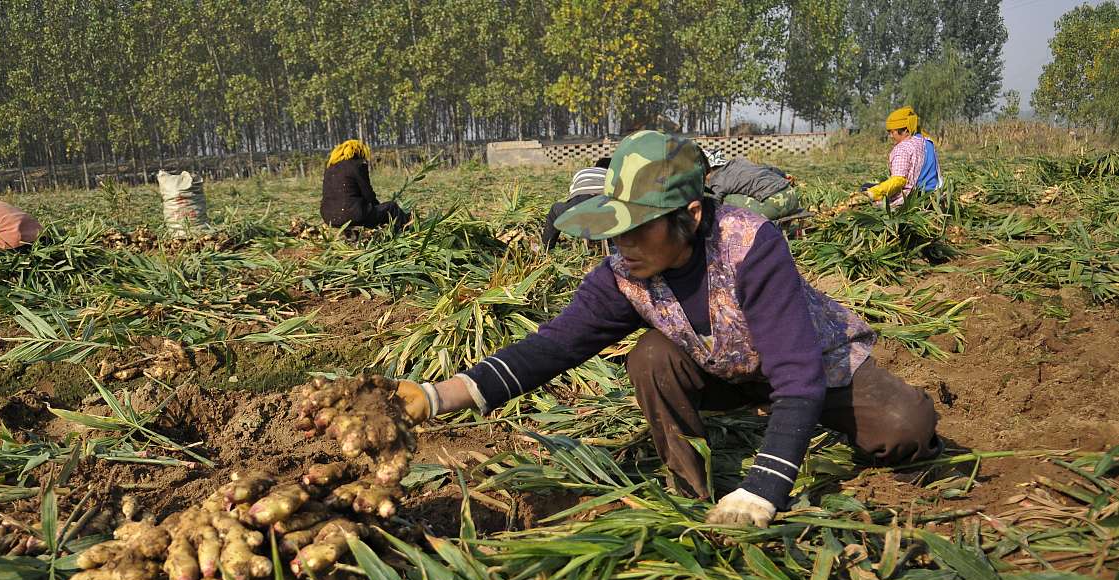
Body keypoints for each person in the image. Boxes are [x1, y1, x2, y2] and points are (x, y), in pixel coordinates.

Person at [390, 131, 942, 527]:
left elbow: (798, 375)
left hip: (815, 366)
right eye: (614, 230)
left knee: (905, 428)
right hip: (727, 373)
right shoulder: (624, 273)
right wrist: (436, 396)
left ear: (692, 215)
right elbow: (552, 346)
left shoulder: (751, 246)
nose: (620, 244)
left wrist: (764, 489)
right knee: (651, 356)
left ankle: (789, 437)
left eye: (636, 229)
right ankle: (691, 491)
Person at [320, 140, 409, 229]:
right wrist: (378, 208)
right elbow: (368, 194)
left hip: (329, 218)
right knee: (392, 207)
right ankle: (407, 229)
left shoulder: (329, 168)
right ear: (359, 152)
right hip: (352, 216)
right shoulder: (357, 165)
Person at [864, 106, 943, 206]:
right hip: (935, 192)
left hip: (914, 197)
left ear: (906, 130)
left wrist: (875, 192)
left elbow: (899, 181)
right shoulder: (927, 141)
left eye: (892, 132)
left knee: (866, 187)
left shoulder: (902, 148)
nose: (891, 136)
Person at [703, 150, 801, 220]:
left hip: (776, 205)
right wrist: (784, 175)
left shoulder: (717, 180)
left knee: (728, 199)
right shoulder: (739, 162)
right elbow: (769, 168)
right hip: (793, 197)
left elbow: (714, 207)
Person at [541, 157, 611, 250]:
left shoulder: (582, 172)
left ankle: (547, 248)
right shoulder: (612, 174)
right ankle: (613, 246)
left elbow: (572, 194)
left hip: (578, 206)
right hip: (603, 210)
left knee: (555, 209)